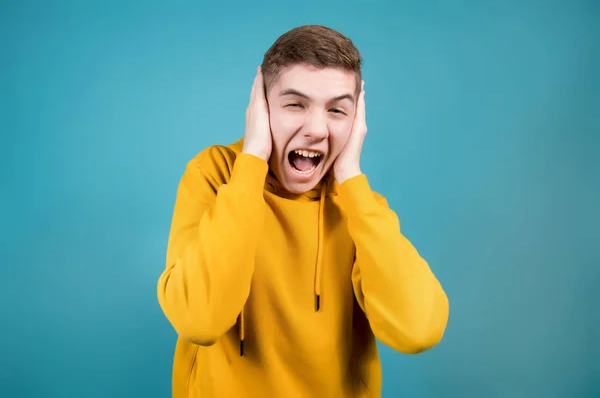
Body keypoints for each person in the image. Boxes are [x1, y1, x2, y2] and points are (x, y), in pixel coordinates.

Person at [157, 24, 449, 398]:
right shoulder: (215, 175)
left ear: (357, 120)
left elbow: (418, 330)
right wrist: (252, 161)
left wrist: (351, 178)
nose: (316, 129)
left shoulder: (359, 205)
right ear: (260, 107)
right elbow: (199, 320)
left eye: (337, 110)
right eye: (295, 104)